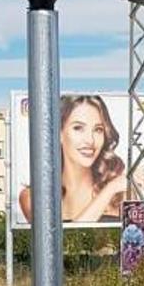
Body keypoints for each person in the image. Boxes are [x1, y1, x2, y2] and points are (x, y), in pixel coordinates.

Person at [19, 94, 127, 223]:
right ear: (58, 133)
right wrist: (109, 191)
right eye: (78, 128)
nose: (90, 140)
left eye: (98, 130)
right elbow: (69, 238)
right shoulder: (33, 197)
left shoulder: (121, 195)